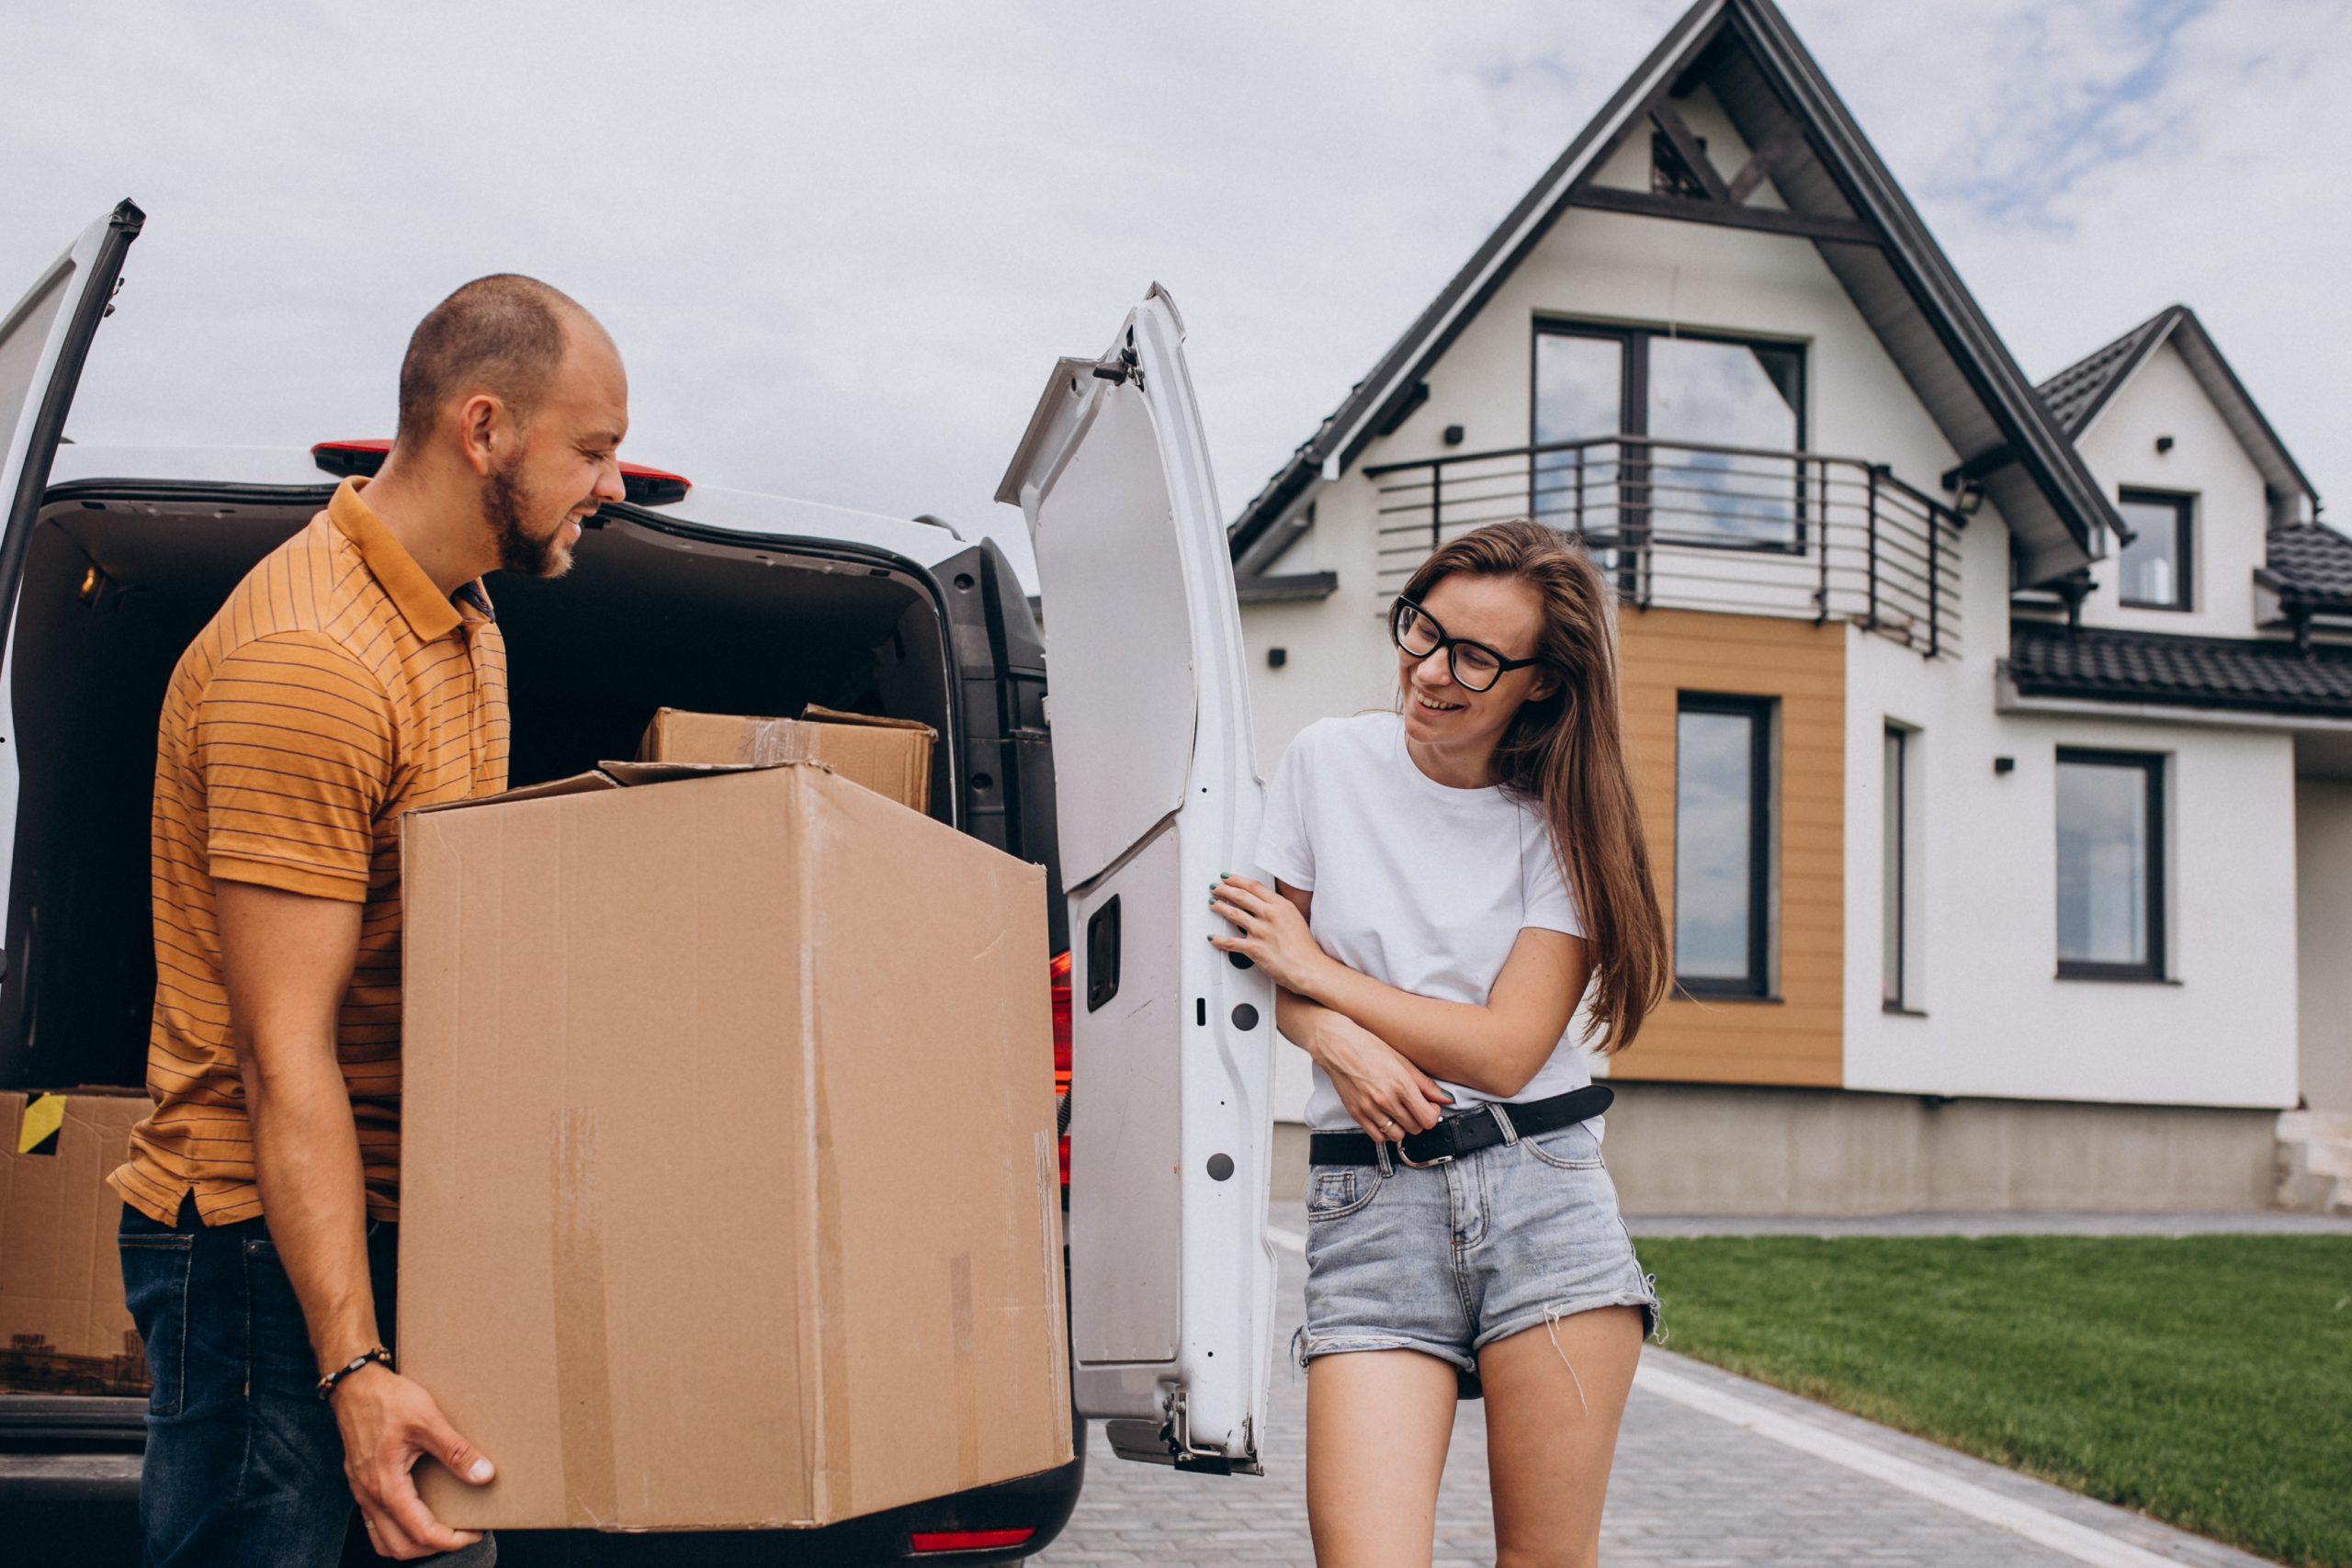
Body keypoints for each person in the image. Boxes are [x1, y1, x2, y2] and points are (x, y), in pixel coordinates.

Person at [108, 275, 629, 1565]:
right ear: (486, 428)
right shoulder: (314, 661)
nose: (612, 486)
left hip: (401, 1222)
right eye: (594, 449)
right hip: (258, 1259)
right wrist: (352, 1361)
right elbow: (286, 1054)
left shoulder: (465, 619)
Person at [1211, 518, 1671, 1568]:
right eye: (1423, 629)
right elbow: (1252, 966)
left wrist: (1322, 977)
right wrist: (1339, 1043)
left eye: (1475, 656)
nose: (1429, 670)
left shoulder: (1564, 819)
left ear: (1542, 683)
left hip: (1541, 1192)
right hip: (1371, 1208)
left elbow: (1507, 1051)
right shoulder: (1325, 762)